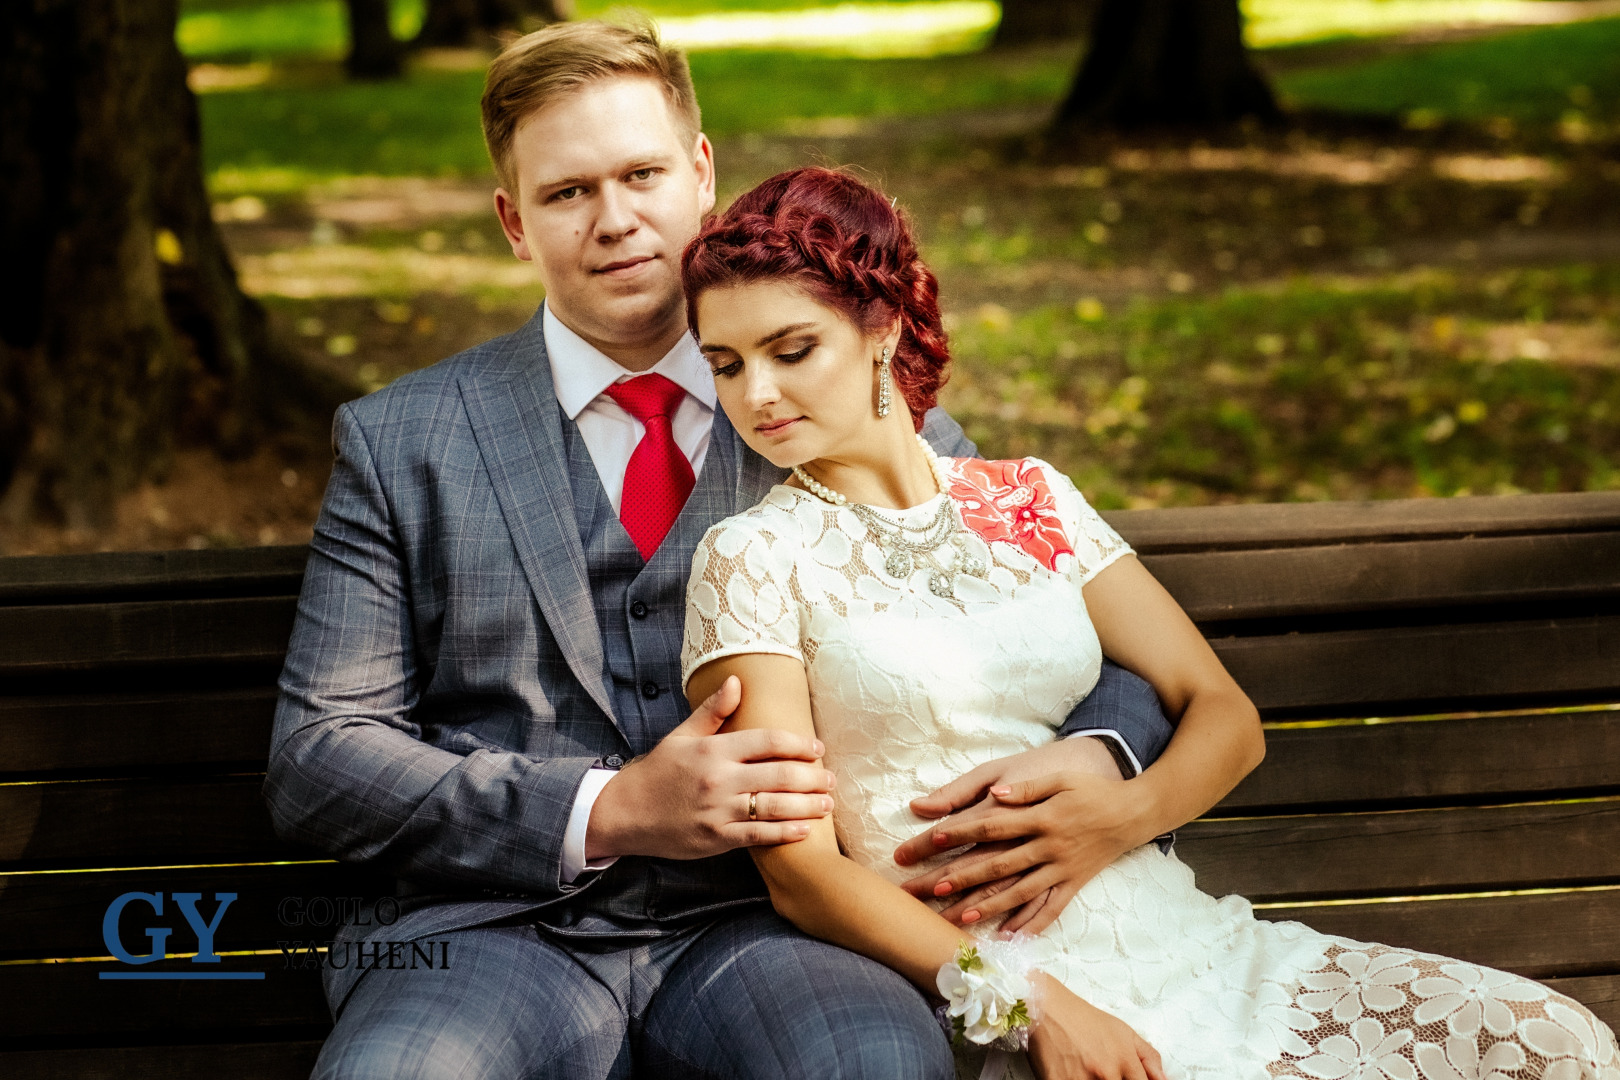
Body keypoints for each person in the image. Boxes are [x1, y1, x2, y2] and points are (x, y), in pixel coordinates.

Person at [264, 20, 1224, 1080]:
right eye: (568, 192)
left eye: (642, 174)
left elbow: (1044, 602)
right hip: (488, 931)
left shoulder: (845, 396)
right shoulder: (405, 441)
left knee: (870, 1066)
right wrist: (609, 810)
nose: (616, 220)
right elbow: (321, 757)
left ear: (702, 172)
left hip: (778, 932)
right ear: (513, 221)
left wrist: (1100, 757)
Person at [676, 166, 1620, 1080]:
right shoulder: (751, 556)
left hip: (1194, 944)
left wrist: (1117, 818)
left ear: (880, 329)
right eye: (726, 364)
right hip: (1004, 994)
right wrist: (1026, 1002)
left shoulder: (1029, 498)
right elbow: (802, 875)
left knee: (1551, 1040)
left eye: (790, 351)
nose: (755, 394)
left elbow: (1222, 713)